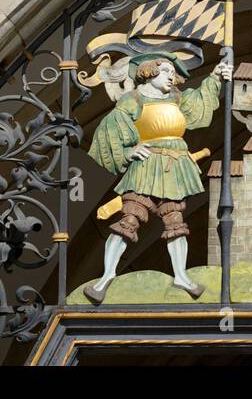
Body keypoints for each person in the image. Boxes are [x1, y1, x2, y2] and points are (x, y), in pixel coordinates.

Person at [83, 50, 231, 303]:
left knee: (175, 221)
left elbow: (198, 107)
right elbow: (111, 127)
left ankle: (181, 277)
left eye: (173, 74)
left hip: (175, 166)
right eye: (165, 72)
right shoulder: (134, 99)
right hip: (147, 166)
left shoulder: (176, 98)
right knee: (129, 219)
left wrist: (216, 77)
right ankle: (106, 277)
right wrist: (129, 150)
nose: (171, 77)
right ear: (149, 71)